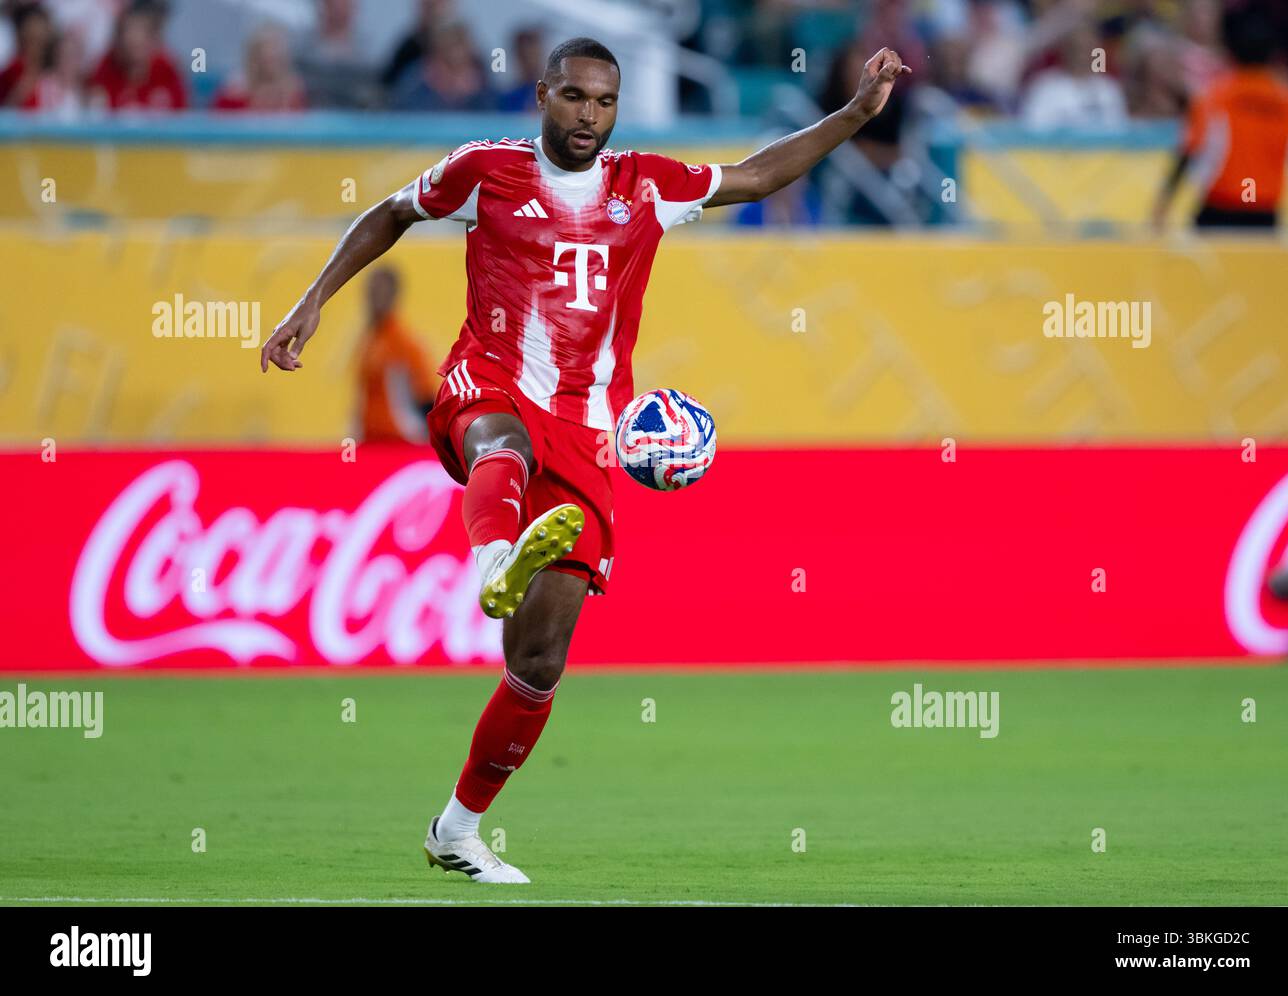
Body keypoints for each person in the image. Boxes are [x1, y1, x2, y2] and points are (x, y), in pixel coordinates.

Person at [260, 36, 908, 884]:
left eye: (603, 102)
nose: (587, 117)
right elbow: (390, 214)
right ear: (542, 95)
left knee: (538, 660)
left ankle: (456, 829)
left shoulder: (646, 184)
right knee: (503, 444)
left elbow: (756, 175)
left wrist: (856, 114)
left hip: (589, 431)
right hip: (488, 380)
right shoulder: (483, 171)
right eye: (573, 98)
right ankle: (495, 555)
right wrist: (312, 300)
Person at [1152, 4, 1288, 230]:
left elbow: (1189, 151)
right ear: (1272, 54)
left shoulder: (1215, 96)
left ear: (1229, 51)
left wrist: (1163, 203)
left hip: (1219, 207)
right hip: (1265, 210)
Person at [354, 266, 439, 444]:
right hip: (370, 440)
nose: (374, 298)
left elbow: (426, 397)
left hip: (396, 441)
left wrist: (421, 439)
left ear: (394, 295)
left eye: (380, 292)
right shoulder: (370, 339)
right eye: (371, 292)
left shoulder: (403, 342)